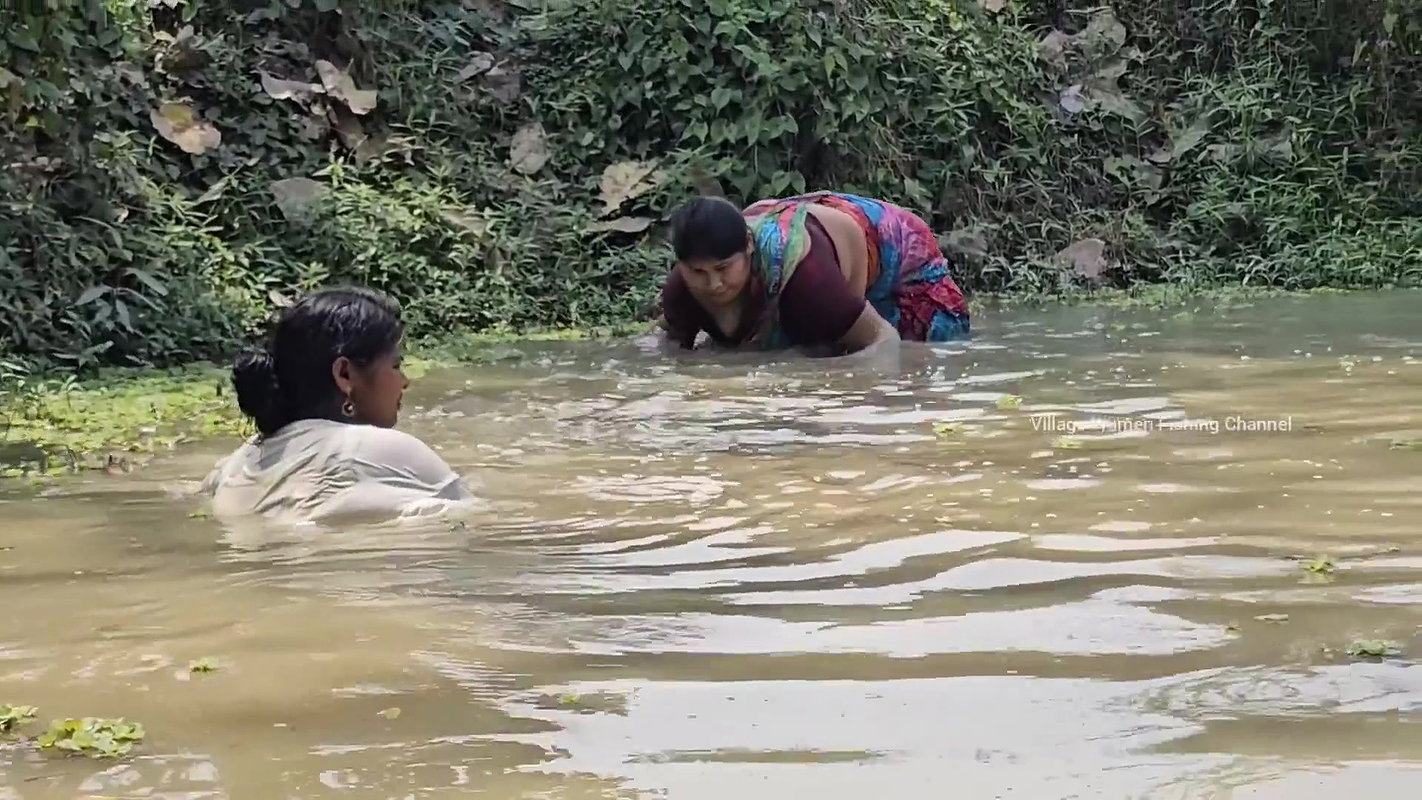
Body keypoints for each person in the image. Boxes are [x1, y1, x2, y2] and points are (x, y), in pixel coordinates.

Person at [199, 286, 473, 522]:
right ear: (345, 374)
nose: (404, 381)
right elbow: (482, 520)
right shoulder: (381, 449)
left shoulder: (234, 466)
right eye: (395, 365)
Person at [657, 192, 971, 355]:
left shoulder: (807, 279)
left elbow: (882, 340)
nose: (712, 284)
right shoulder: (681, 291)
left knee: (936, 344)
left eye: (723, 268)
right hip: (809, 226)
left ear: (749, 247)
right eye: (698, 272)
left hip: (888, 242)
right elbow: (672, 350)